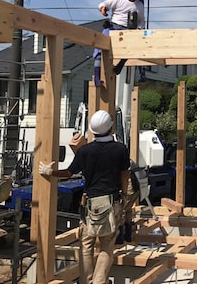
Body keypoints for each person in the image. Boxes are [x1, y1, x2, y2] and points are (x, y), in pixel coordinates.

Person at [39, 110, 130, 284]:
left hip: (90, 204)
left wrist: (49, 171)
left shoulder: (85, 151)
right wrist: (125, 195)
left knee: (86, 245)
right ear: (111, 128)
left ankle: (86, 281)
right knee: (107, 246)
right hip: (111, 202)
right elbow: (124, 174)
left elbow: (68, 173)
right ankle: (99, 281)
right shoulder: (120, 149)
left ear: (92, 130)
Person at [98, 0, 146, 74]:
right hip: (114, 28)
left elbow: (141, 21)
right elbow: (104, 4)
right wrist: (103, 9)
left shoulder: (139, 6)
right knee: (102, 41)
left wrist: (139, 29)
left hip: (128, 31)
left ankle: (120, 65)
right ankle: (98, 68)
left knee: (131, 46)